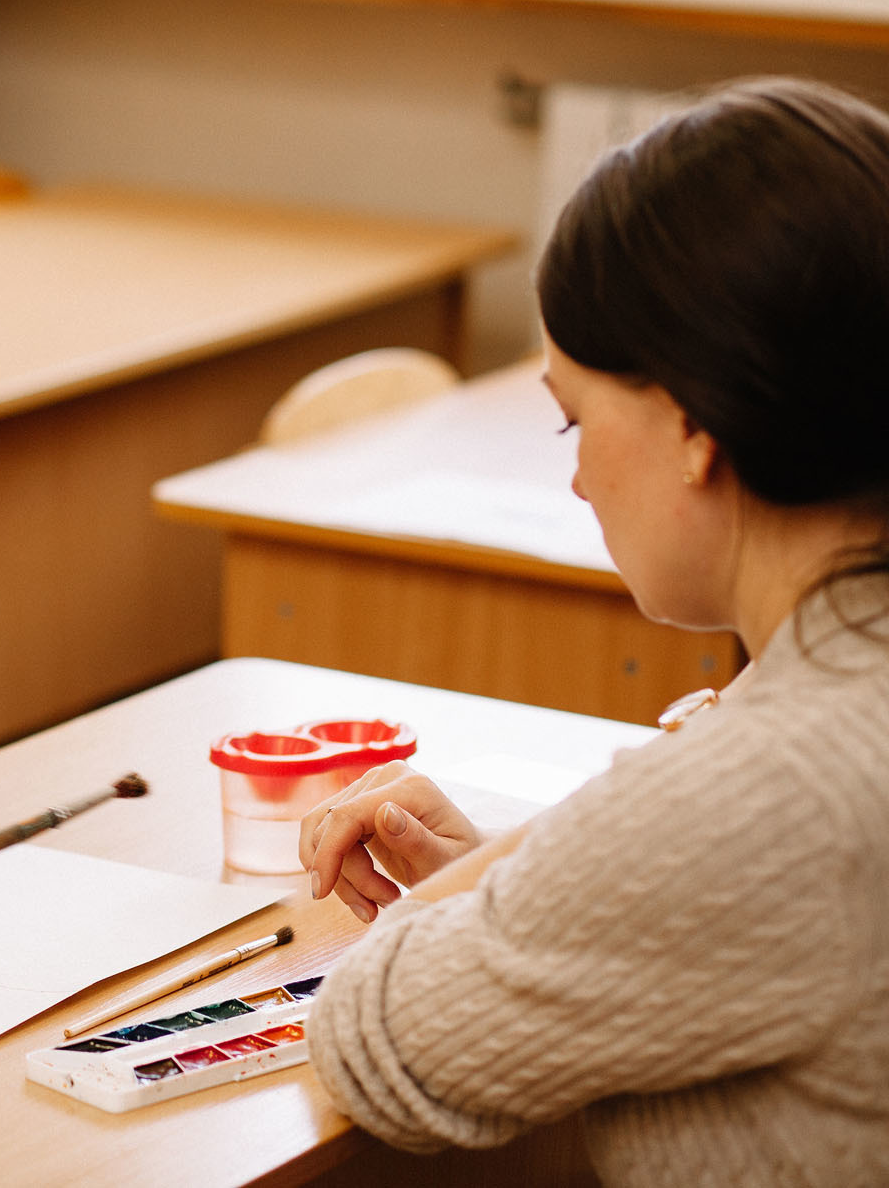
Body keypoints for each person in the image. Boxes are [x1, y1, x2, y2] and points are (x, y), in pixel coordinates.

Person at [297, 77, 889, 1184]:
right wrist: (538, 884)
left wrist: (503, 882)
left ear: (691, 424)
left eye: (574, 416)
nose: (570, 474)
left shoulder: (760, 784)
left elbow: (370, 1041)